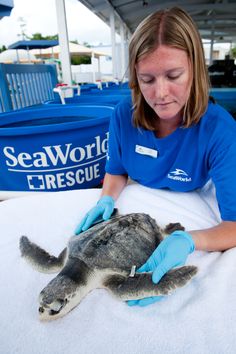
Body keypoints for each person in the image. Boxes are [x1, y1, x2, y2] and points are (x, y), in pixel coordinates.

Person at [75, 7, 236, 306]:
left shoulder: (220, 130)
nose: (160, 93)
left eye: (174, 75)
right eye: (147, 79)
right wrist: (106, 199)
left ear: (196, 69)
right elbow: (118, 169)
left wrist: (189, 240)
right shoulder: (124, 115)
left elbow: (235, 224)